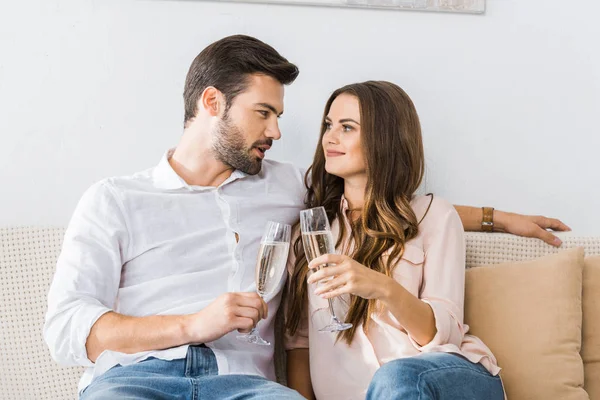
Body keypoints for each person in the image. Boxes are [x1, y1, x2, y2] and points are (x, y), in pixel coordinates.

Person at [43, 35, 568, 400]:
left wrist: (503, 218)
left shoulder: (286, 187)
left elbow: (390, 200)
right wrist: (191, 326)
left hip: (243, 385)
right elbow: (67, 329)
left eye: (279, 117)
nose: (275, 133)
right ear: (211, 103)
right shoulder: (114, 199)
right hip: (135, 381)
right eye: (263, 114)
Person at [285, 81, 505, 400]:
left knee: (396, 377)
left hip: (445, 380)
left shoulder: (434, 216)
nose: (329, 138)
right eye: (328, 125)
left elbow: (441, 334)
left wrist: (382, 287)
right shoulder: (309, 235)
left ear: (383, 138)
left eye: (347, 127)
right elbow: (299, 346)